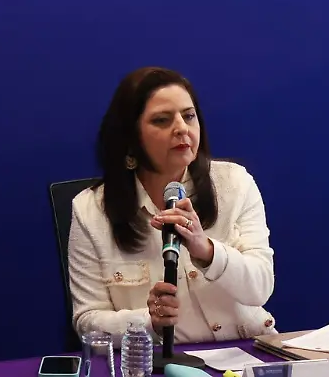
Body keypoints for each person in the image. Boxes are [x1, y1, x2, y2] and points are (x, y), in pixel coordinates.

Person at [67, 67, 277, 345]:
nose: (182, 128)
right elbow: (87, 322)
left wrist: (207, 251)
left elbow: (261, 287)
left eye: (189, 116)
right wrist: (147, 321)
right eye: (162, 120)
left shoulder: (235, 183)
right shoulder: (90, 210)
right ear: (130, 139)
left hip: (246, 351)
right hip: (160, 360)